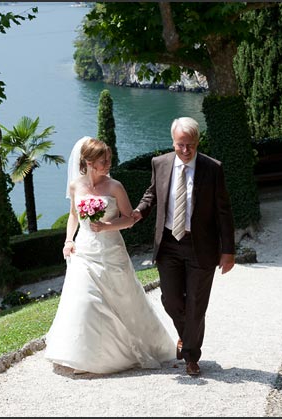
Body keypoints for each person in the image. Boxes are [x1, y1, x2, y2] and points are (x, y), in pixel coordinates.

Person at [44, 136, 175, 375]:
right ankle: (83, 355)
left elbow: (129, 219)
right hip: (84, 251)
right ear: (89, 162)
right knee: (84, 299)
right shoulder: (76, 186)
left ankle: (121, 352)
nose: (108, 164)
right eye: (103, 160)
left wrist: (106, 226)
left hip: (111, 249)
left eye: (109, 159)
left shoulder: (115, 186)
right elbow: (73, 215)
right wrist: (68, 240)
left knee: (123, 297)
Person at [131, 117, 236, 376]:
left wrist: (228, 250)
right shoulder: (160, 163)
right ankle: (186, 336)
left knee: (196, 305)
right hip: (168, 244)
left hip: (201, 246)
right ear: (173, 142)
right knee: (171, 299)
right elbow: (151, 194)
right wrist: (137, 212)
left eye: (190, 145)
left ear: (197, 142)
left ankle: (190, 355)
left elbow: (224, 211)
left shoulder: (212, 168)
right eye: (180, 145)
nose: (186, 150)